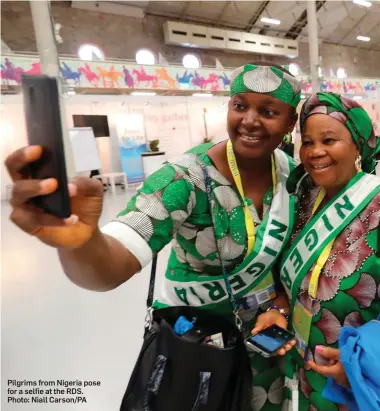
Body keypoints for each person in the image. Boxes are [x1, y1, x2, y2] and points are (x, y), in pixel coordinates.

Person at [5, 63, 301, 410]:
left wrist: (278, 303)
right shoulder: (183, 178)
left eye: (268, 111)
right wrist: (82, 243)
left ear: (290, 123)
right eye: (240, 106)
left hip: (265, 341)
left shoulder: (291, 174)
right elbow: (111, 265)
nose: (250, 120)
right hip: (199, 348)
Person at [276, 92, 380, 411]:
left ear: (357, 146)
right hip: (303, 366)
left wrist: (361, 364)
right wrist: (279, 307)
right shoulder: (303, 199)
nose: (315, 152)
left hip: (357, 381)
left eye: (329, 139)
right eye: (307, 142)